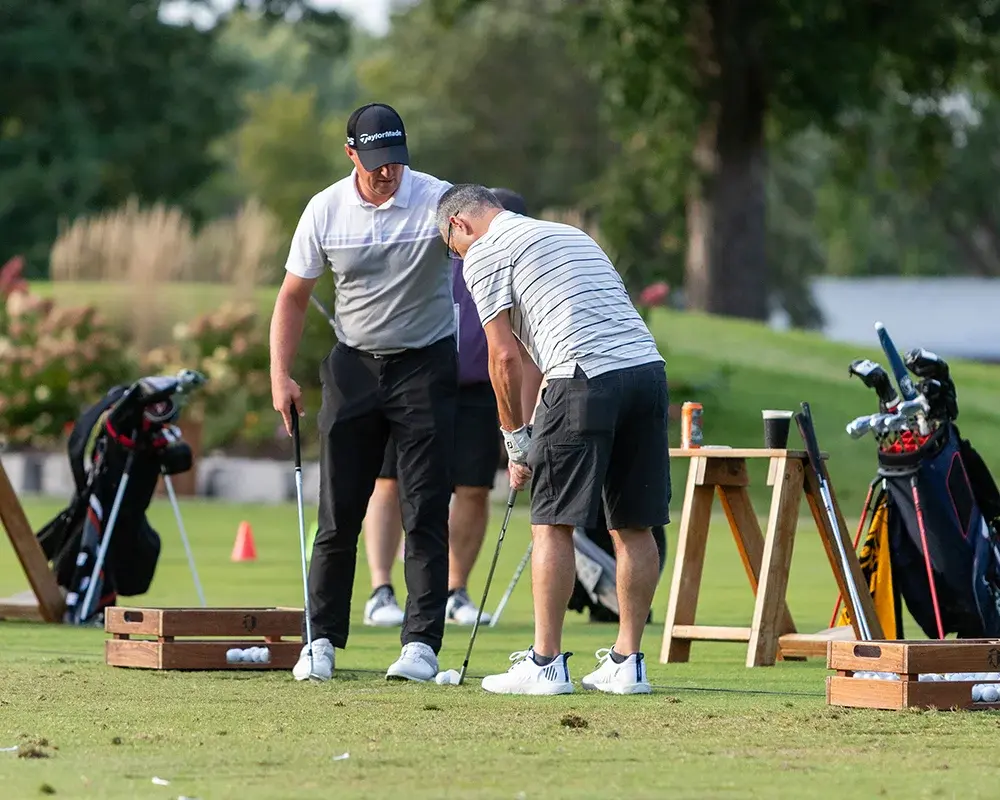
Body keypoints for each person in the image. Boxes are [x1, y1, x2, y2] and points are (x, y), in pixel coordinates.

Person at [435, 185, 671, 696]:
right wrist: (533, 430)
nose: (459, 259)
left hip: (584, 377)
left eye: (453, 250)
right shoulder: (568, 235)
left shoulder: (484, 252)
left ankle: (544, 664)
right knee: (633, 524)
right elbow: (549, 340)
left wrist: (513, 438)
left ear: (460, 225)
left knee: (551, 524)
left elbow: (502, 358)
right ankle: (627, 663)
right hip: (647, 374)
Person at [269, 102, 458, 683]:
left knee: (424, 507)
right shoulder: (325, 209)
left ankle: (420, 645)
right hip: (353, 367)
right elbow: (293, 297)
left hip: (426, 363)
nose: (387, 173)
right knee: (338, 513)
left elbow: (488, 259)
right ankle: (320, 640)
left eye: (396, 161)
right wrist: (279, 374)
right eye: (375, 162)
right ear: (351, 154)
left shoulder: (437, 199)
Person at [361, 188, 543, 628]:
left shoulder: (523, 268)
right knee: (389, 480)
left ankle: (453, 591)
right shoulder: (442, 252)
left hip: (480, 389)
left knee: (473, 488)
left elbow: (524, 351)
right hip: (416, 381)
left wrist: (529, 419)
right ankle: (380, 590)